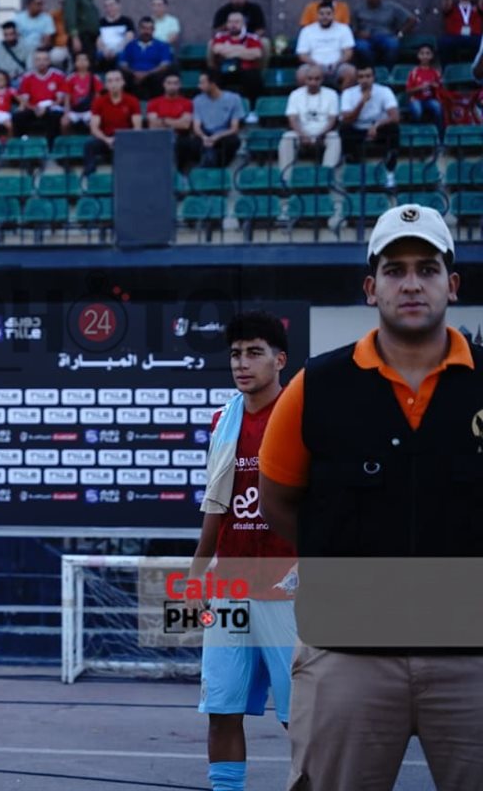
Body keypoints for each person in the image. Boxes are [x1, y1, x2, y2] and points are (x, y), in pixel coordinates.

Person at [260, 204, 483, 791]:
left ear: (451, 285)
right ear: (370, 286)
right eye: (394, 269)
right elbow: (278, 501)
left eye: (427, 268)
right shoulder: (316, 386)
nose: (411, 283)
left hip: (473, 657)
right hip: (345, 655)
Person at [189, 311, 296, 791]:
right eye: (235, 354)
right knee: (221, 710)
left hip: (289, 585)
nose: (242, 363)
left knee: (304, 717)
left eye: (254, 353)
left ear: (280, 360)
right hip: (230, 583)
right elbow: (217, 502)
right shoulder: (222, 419)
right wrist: (196, 572)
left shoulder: (301, 413)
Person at [339, 63, 400, 189]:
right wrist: (362, 102)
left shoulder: (384, 91)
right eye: (361, 77)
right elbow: (346, 119)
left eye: (368, 76)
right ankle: (354, 172)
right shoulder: (348, 93)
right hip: (357, 128)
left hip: (377, 128)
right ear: (357, 79)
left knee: (394, 129)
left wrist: (376, 125)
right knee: (344, 129)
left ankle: (389, 173)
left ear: (373, 77)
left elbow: (395, 117)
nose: (365, 80)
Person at [278, 65, 341, 182]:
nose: (313, 82)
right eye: (310, 79)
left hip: (323, 133)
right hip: (301, 133)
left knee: (335, 137)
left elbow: (332, 119)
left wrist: (321, 134)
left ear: (322, 80)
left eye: (317, 79)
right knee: (287, 137)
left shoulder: (331, 94)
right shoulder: (295, 94)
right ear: (305, 79)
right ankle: (286, 179)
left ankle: (326, 177)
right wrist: (302, 135)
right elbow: (292, 118)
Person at [83, 68, 142, 175]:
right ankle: (89, 176)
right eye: (110, 81)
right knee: (89, 145)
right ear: (106, 85)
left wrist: (123, 140)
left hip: (126, 139)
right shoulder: (99, 101)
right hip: (106, 139)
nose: (114, 84)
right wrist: (107, 140)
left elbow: (137, 127)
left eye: (117, 80)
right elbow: (94, 128)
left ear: (123, 82)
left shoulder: (132, 101)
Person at [209, 11, 265, 123]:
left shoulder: (252, 38)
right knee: (212, 76)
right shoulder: (220, 36)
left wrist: (230, 49)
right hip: (225, 69)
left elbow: (256, 54)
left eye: (237, 22)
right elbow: (217, 50)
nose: (233, 25)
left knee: (253, 76)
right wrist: (243, 51)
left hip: (246, 70)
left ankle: (252, 111)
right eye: (230, 22)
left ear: (243, 24)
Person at [296, 2, 357, 90]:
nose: (325, 17)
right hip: (314, 65)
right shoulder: (307, 31)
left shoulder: (344, 29)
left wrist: (338, 63)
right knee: (301, 74)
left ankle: (343, 99)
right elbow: (302, 54)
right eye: (322, 14)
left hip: (338, 66)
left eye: (328, 14)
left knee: (351, 72)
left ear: (333, 14)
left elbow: (348, 52)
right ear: (317, 15)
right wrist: (315, 65)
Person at [190, 70, 243, 168]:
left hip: (223, 133)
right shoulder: (197, 100)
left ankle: (219, 167)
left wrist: (217, 136)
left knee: (233, 142)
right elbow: (196, 127)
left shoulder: (234, 99)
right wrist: (204, 137)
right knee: (192, 143)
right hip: (205, 133)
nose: (199, 86)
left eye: (202, 83)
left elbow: (234, 128)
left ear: (212, 84)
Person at [13, 49, 67, 143]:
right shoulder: (27, 77)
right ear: (34, 62)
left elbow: (60, 100)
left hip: (51, 108)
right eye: (38, 59)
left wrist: (46, 108)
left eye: (44, 59)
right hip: (34, 108)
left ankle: (51, 147)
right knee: (18, 116)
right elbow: (25, 101)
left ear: (49, 61)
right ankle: (22, 143)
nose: (41, 62)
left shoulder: (58, 76)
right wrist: (35, 108)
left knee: (55, 116)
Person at [352, 0, 416, 69]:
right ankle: (372, 71)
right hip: (366, 38)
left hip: (385, 36)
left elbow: (412, 20)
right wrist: (358, 34)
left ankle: (387, 72)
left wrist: (400, 34)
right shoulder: (358, 9)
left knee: (393, 44)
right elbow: (352, 29)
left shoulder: (391, 6)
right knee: (361, 47)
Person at [146, 71, 196, 168]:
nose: (172, 86)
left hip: (180, 137)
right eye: (169, 83)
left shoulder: (187, 103)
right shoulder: (154, 102)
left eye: (175, 83)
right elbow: (153, 125)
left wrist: (163, 120)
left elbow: (185, 125)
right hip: (159, 136)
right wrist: (176, 121)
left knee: (185, 144)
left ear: (180, 85)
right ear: (164, 85)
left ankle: (182, 174)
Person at [120, 16, 173, 100]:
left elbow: (165, 65)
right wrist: (135, 73)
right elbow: (123, 64)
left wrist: (146, 74)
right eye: (144, 28)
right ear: (139, 29)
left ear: (153, 30)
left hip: (154, 78)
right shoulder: (130, 45)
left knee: (163, 74)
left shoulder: (162, 45)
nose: (146, 31)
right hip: (133, 77)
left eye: (149, 29)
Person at [406, 45, 445, 138]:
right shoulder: (414, 72)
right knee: (417, 110)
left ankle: (440, 137)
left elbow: (441, 88)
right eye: (422, 53)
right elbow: (408, 91)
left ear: (431, 56)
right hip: (416, 99)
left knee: (438, 108)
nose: (425, 56)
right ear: (418, 56)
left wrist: (435, 86)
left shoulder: (435, 72)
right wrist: (421, 87)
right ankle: (418, 136)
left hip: (430, 99)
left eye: (428, 53)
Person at [61, 51, 104, 135]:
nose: (82, 62)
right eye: (79, 60)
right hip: (74, 110)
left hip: (89, 110)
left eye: (84, 60)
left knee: (94, 123)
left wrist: (96, 114)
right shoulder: (70, 78)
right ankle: (69, 143)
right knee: (64, 123)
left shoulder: (94, 78)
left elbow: (98, 98)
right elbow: (67, 99)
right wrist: (66, 114)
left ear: (89, 63)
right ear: (75, 63)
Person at [14, 0, 59, 67]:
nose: (41, 6)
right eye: (38, 4)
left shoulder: (46, 19)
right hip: (22, 48)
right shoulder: (18, 18)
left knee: (34, 54)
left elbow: (47, 40)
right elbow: (16, 37)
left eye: (42, 4)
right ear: (29, 5)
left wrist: (39, 49)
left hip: (39, 48)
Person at [439, 0, 483, 67]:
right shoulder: (452, 7)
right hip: (454, 36)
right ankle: (447, 70)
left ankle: (479, 70)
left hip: (474, 36)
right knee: (443, 42)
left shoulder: (477, 7)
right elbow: (445, 7)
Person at [95, 0, 136, 72]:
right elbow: (98, 41)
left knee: (123, 56)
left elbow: (129, 38)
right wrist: (105, 50)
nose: (109, 8)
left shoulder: (127, 21)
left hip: (121, 51)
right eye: (106, 6)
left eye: (111, 5)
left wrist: (115, 50)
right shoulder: (101, 22)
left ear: (118, 5)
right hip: (105, 51)